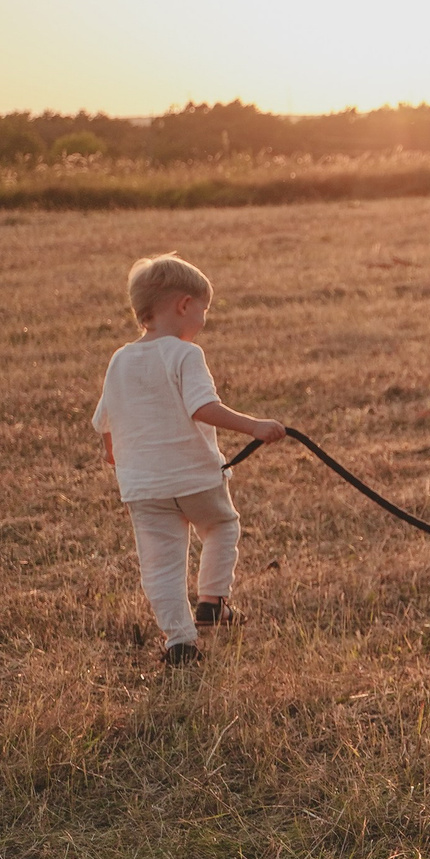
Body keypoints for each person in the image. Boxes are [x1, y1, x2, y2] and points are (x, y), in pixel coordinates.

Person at [92, 253, 287, 667]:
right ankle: (213, 601)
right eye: (204, 310)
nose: (203, 320)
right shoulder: (184, 355)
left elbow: (107, 423)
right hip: (195, 477)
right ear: (184, 305)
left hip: (143, 487)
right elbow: (203, 407)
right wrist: (255, 426)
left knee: (159, 563)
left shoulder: (119, 359)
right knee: (220, 526)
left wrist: (116, 456)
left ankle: (180, 642)